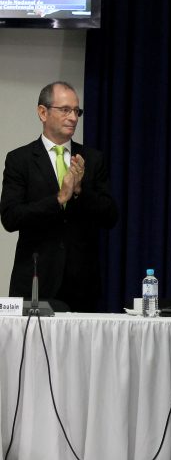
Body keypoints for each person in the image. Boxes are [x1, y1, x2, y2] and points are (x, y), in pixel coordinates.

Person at [0, 81, 118, 312]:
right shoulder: (20, 160)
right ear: (42, 112)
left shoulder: (92, 159)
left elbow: (110, 216)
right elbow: (11, 217)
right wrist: (59, 199)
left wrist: (80, 191)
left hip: (82, 284)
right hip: (35, 280)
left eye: (76, 111)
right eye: (65, 110)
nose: (73, 118)